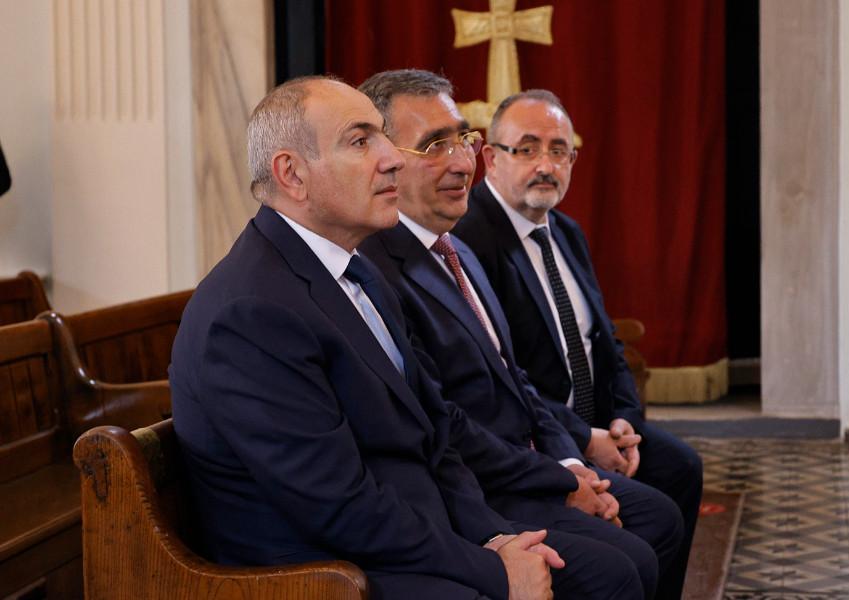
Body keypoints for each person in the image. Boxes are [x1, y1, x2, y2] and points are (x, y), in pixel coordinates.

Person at [170, 76, 637, 600]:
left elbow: (436, 434)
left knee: (615, 568)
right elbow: (338, 504)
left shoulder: (358, 272)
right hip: (322, 576)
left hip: (410, 531)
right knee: (606, 575)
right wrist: (492, 569)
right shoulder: (250, 311)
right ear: (292, 174)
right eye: (361, 141)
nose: (392, 158)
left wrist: (494, 536)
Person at [358, 69, 688, 600]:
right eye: (435, 146)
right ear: (384, 159)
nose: (461, 162)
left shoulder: (456, 249)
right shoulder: (379, 268)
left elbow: (521, 378)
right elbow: (444, 422)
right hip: (485, 486)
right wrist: (562, 476)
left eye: (462, 139)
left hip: (537, 455)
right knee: (624, 566)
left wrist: (572, 461)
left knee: (662, 514)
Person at [453, 89, 705, 599]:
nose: (545, 165)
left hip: (599, 424)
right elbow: (507, 377)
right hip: (541, 438)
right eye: (527, 149)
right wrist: (585, 439)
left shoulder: (565, 231)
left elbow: (604, 340)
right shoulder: (469, 238)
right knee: (648, 526)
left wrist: (625, 420)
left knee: (682, 468)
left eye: (559, 151)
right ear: (491, 158)